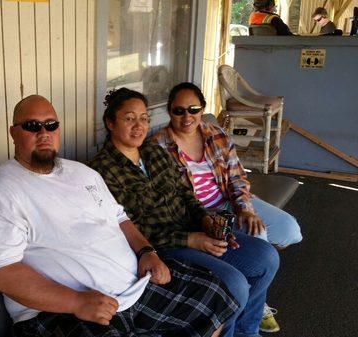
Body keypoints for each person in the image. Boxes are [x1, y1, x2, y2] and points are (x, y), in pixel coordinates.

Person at [0, 95, 239, 337]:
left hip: (132, 289)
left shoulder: (82, 173)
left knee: (213, 295)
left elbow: (120, 218)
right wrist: (76, 302)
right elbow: (3, 274)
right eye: (32, 126)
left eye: (51, 125)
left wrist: (147, 252)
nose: (43, 132)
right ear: (13, 132)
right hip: (61, 311)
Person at [89, 88, 280, 337]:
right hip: (163, 247)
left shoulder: (153, 152)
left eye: (144, 118)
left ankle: (247, 331)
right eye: (129, 118)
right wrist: (190, 240)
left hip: (193, 230)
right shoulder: (101, 171)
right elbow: (127, 229)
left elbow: (185, 194)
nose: (139, 126)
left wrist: (206, 220)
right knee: (235, 285)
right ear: (110, 122)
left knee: (266, 257)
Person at [151, 82, 303, 333]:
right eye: (179, 111)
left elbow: (236, 178)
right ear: (170, 112)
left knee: (290, 230)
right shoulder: (159, 146)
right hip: (203, 214)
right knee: (260, 240)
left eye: (193, 109)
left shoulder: (216, 134)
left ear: (202, 109)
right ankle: (254, 309)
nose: (187, 116)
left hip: (231, 201)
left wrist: (245, 209)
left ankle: (256, 292)